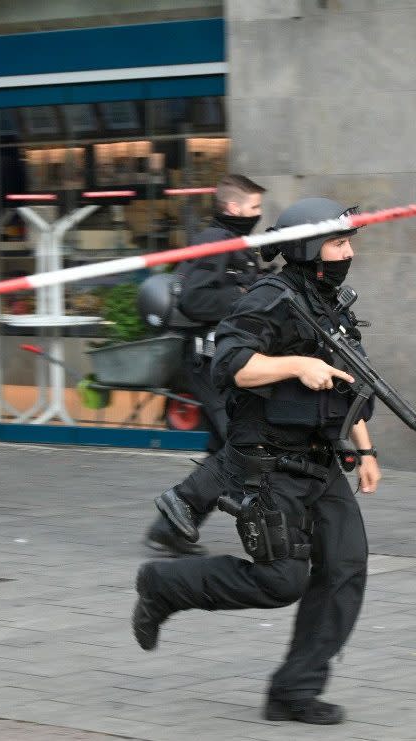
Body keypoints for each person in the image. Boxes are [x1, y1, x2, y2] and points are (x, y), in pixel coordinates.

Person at [132, 197, 381, 726]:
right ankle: (164, 586)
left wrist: (364, 448)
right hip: (270, 463)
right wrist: (296, 364)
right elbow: (232, 365)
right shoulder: (271, 298)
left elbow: (347, 381)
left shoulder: (327, 300)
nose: (348, 252)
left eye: (348, 241)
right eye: (338, 242)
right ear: (308, 248)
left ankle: (294, 691)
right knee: (281, 581)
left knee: (345, 566)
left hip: (321, 460)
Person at [144, 174, 266, 557]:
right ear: (232, 207)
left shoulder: (234, 243)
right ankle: (177, 508)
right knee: (242, 445)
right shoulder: (215, 242)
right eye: (254, 208)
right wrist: (245, 296)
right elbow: (197, 299)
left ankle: (171, 527)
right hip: (211, 363)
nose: (258, 215)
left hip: (222, 360)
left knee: (225, 448)